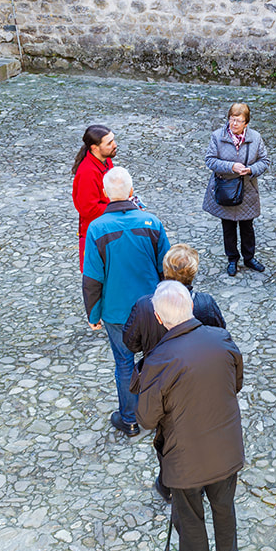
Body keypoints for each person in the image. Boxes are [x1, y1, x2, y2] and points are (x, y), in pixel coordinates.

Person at [135, 281, 244, 551]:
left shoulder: (158, 360)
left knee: (191, 521)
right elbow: (236, 384)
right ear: (191, 307)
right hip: (225, 450)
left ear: (159, 318)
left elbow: (146, 419)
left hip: (184, 462)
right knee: (224, 510)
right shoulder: (222, 339)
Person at [83, 166, 170, 437]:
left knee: (124, 362)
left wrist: (93, 314)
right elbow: (166, 267)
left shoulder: (97, 229)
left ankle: (130, 418)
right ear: (132, 192)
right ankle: (159, 414)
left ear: (105, 193)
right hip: (152, 307)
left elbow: (92, 279)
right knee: (156, 359)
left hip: (116, 311)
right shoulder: (151, 223)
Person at [203, 102, 270, 277]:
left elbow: (264, 161)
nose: (234, 124)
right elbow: (210, 160)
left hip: (247, 189)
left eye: (238, 121)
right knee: (228, 226)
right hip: (225, 188)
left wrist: (251, 170)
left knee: (248, 226)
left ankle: (249, 258)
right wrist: (231, 166)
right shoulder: (217, 136)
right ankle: (232, 258)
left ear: (246, 123)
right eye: (232, 120)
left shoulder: (255, 138)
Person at [72, 124, 116, 271]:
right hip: (96, 234)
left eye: (113, 140)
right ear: (95, 148)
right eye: (109, 143)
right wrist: (118, 207)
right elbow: (89, 210)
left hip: (108, 226)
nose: (115, 145)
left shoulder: (106, 160)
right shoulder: (87, 172)